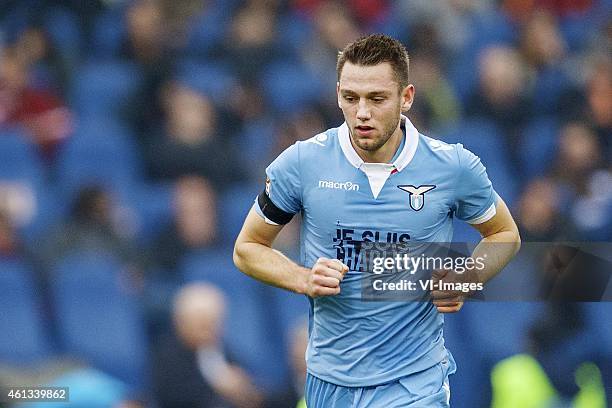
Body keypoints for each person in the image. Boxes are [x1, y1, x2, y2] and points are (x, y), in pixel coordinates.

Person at [233, 34, 521, 407]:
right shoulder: (302, 163)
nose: (362, 113)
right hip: (329, 382)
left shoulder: (453, 166)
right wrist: (302, 278)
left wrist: (468, 277)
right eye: (350, 98)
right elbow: (247, 248)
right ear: (338, 94)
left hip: (415, 382)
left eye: (377, 99)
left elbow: (504, 235)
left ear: (407, 97)